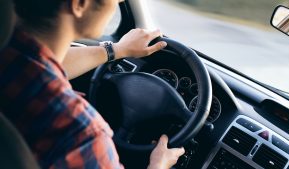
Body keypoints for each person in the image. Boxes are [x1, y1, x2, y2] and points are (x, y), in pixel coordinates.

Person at [0, 0, 185, 169]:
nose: (120, 1)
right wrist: (158, 165)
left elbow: (44, 63)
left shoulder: (10, 56)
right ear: (79, 4)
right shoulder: (80, 134)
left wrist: (117, 50)